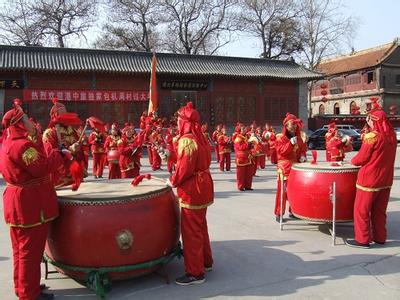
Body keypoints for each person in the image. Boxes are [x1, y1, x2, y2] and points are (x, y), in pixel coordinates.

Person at [0, 100, 70, 300]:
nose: (30, 121)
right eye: (25, 118)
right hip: (30, 206)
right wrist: (60, 155)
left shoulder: (9, 142)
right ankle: (29, 294)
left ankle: (23, 287)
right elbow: (40, 167)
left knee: (20, 251)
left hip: (18, 203)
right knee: (30, 252)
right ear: (19, 123)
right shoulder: (22, 147)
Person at [167, 102, 214, 286]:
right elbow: (193, 160)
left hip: (193, 189)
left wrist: (173, 180)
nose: (177, 122)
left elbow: (185, 168)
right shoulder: (200, 138)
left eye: (179, 119)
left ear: (185, 122)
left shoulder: (187, 140)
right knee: (201, 226)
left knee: (191, 231)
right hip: (203, 186)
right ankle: (205, 262)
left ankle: (195, 273)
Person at [346, 104, 397, 248]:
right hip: (386, 180)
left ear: (373, 120)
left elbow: (361, 158)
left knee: (361, 210)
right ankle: (380, 237)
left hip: (369, 180)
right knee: (379, 211)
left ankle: (362, 240)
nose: (367, 122)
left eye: (369, 119)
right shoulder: (392, 136)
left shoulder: (372, 137)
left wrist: (352, 161)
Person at [274, 113, 307, 222]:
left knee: (295, 191)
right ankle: (279, 213)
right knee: (283, 191)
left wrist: (302, 156)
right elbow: (281, 151)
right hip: (284, 168)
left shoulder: (298, 138)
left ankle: (293, 210)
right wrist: (290, 144)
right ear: (286, 126)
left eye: (295, 124)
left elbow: (302, 149)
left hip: (296, 167)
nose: (294, 127)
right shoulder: (280, 137)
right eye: (292, 124)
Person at [233, 123, 254, 191]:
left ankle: (248, 186)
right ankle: (241, 186)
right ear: (240, 130)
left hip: (248, 157)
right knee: (241, 174)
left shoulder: (247, 136)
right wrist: (248, 143)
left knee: (248, 173)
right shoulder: (238, 138)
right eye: (242, 129)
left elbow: (249, 146)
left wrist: (252, 144)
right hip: (241, 158)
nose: (244, 130)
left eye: (244, 129)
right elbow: (240, 147)